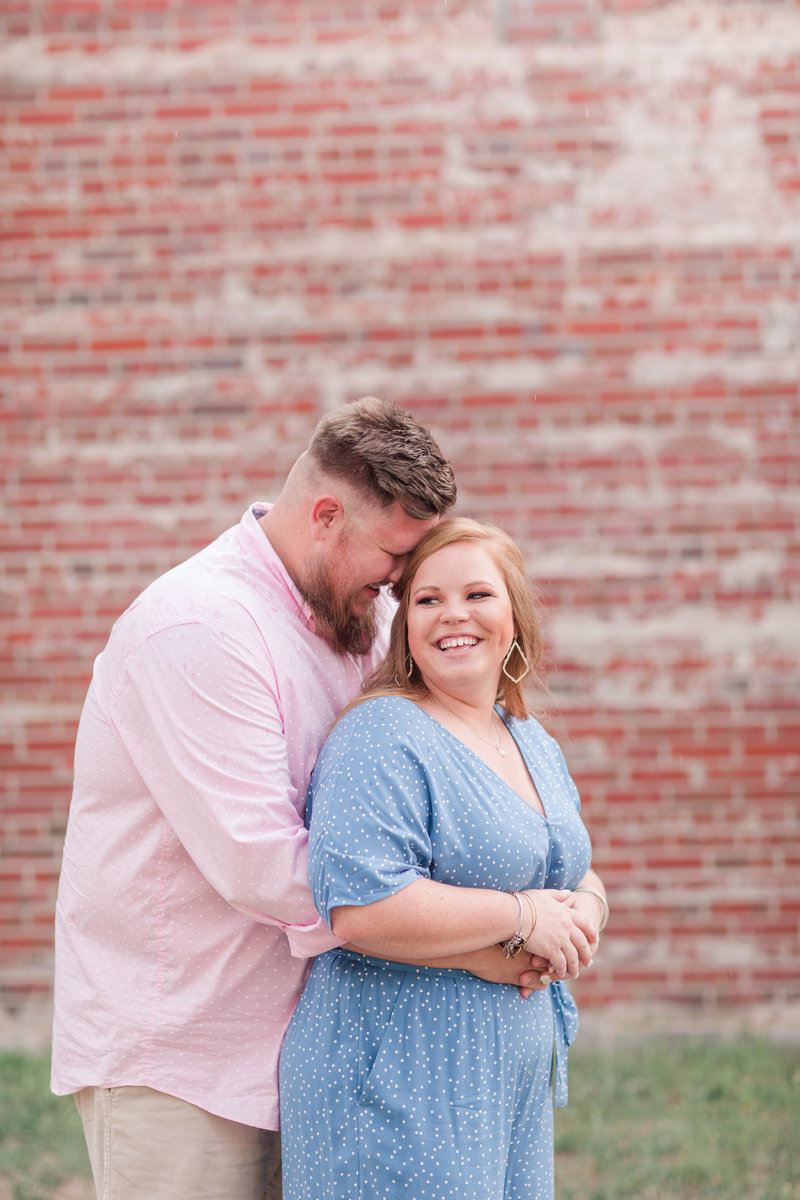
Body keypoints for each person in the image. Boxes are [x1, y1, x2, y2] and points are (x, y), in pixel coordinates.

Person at [50, 397, 464, 1200]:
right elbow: (264, 863)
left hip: (311, 1056)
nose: (401, 582)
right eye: (391, 555)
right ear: (325, 516)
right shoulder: (199, 626)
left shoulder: (360, 617)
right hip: (183, 1068)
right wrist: (475, 928)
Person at [279, 516, 609, 1200]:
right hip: (400, 1075)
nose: (452, 615)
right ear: (405, 625)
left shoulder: (527, 738)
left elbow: (567, 866)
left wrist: (585, 916)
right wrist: (521, 917)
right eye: (427, 599)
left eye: (477, 595)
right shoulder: (382, 733)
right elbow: (360, 908)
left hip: (504, 1076)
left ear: (513, 616)